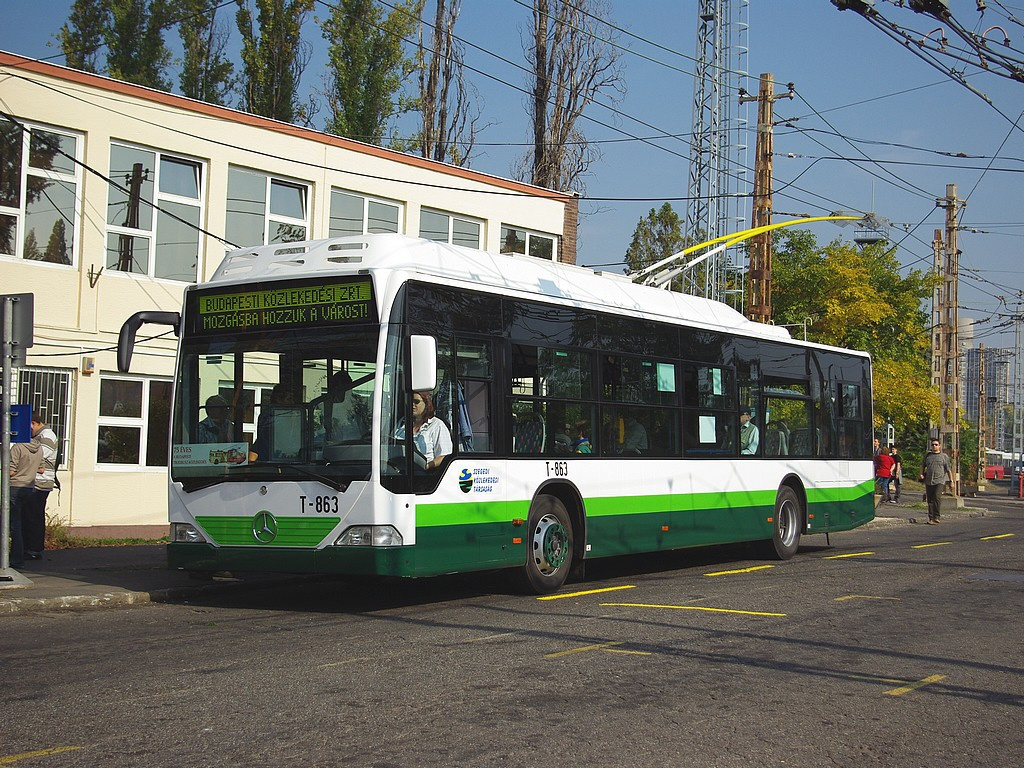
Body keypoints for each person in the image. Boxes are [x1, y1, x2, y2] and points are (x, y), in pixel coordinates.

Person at [7, 437, 43, 569]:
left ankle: (15, 559)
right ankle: (20, 555)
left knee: (13, 525)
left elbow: (10, 471)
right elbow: (42, 469)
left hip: (15, 487)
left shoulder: (17, 447)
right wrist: (29, 469)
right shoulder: (39, 448)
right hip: (29, 487)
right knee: (22, 522)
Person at [25, 417, 57, 560]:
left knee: (34, 516)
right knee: (29, 516)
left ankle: (34, 549)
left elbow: (38, 457)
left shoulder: (47, 436)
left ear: (34, 423)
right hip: (35, 481)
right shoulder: (39, 436)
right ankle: (30, 547)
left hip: (41, 483)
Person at [395, 390, 452, 470]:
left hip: (425, 473)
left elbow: (445, 456)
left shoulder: (437, 425)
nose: (412, 405)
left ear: (426, 403)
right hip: (400, 470)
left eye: (416, 402)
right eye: (410, 401)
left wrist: (426, 466)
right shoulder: (402, 422)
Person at [919, 438, 953, 524]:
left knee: (937, 497)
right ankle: (931, 518)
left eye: (936, 444)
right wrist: (921, 474)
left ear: (939, 446)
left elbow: (948, 470)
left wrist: (951, 481)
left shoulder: (944, 457)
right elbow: (923, 465)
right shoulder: (928, 456)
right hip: (929, 480)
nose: (934, 446)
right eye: (933, 445)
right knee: (930, 499)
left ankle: (937, 516)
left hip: (940, 480)